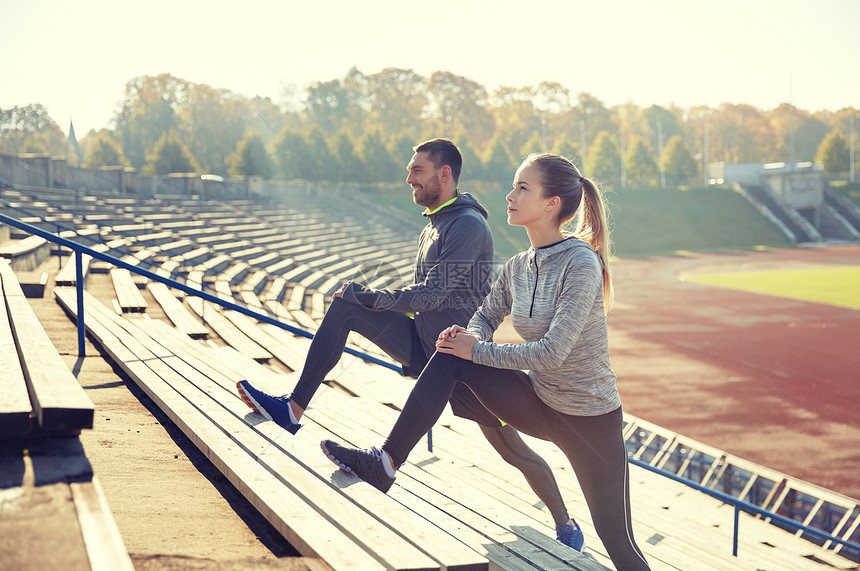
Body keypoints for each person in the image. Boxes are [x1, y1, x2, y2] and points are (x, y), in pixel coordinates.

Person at [237, 139, 584, 550]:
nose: (409, 177)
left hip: (467, 364)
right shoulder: (435, 223)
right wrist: (363, 300)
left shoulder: (469, 225)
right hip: (426, 345)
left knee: (512, 449)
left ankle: (566, 523)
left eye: (417, 170)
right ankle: (292, 409)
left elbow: (433, 294)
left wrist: (372, 295)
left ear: (444, 174)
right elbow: (424, 301)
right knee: (344, 309)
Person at [321, 153, 650, 569]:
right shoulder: (519, 265)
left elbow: (551, 353)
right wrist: (468, 336)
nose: (509, 195)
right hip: (542, 406)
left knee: (619, 545)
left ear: (551, 204)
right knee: (451, 351)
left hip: (591, 423)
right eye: (514, 186)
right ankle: (385, 463)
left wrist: (475, 349)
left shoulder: (580, 264)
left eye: (522, 188)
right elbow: (486, 315)